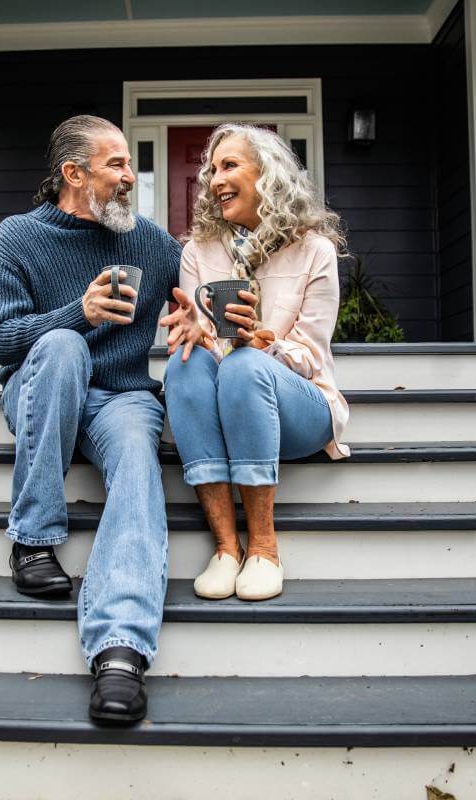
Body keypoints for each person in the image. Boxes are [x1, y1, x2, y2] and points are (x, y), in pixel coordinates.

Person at [0, 115, 181, 723]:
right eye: (117, 164)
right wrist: (80, 313)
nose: (130, 177)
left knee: (137, 460)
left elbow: (199, 291)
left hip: (120, 396)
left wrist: (201, 319)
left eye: (129, 165)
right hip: (41, 386)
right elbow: (2, 340)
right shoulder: (17, 237)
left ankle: (120, 650)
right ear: (74, 173)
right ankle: (33, 538)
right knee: (65, 347)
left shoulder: (150, 243)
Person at [158, 123, 350, 602]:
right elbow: (200, 352)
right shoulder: (198, 252)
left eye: (229, 166)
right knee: (183, 365)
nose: (214, 180)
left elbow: (310, 356)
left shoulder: (314, 251)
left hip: (300, 408)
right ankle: (226, 548)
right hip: (229, 402)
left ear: (268, 175)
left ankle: (264, 547)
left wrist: (263, 342)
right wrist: (199, 335)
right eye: (210, 170)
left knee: (245, 365)